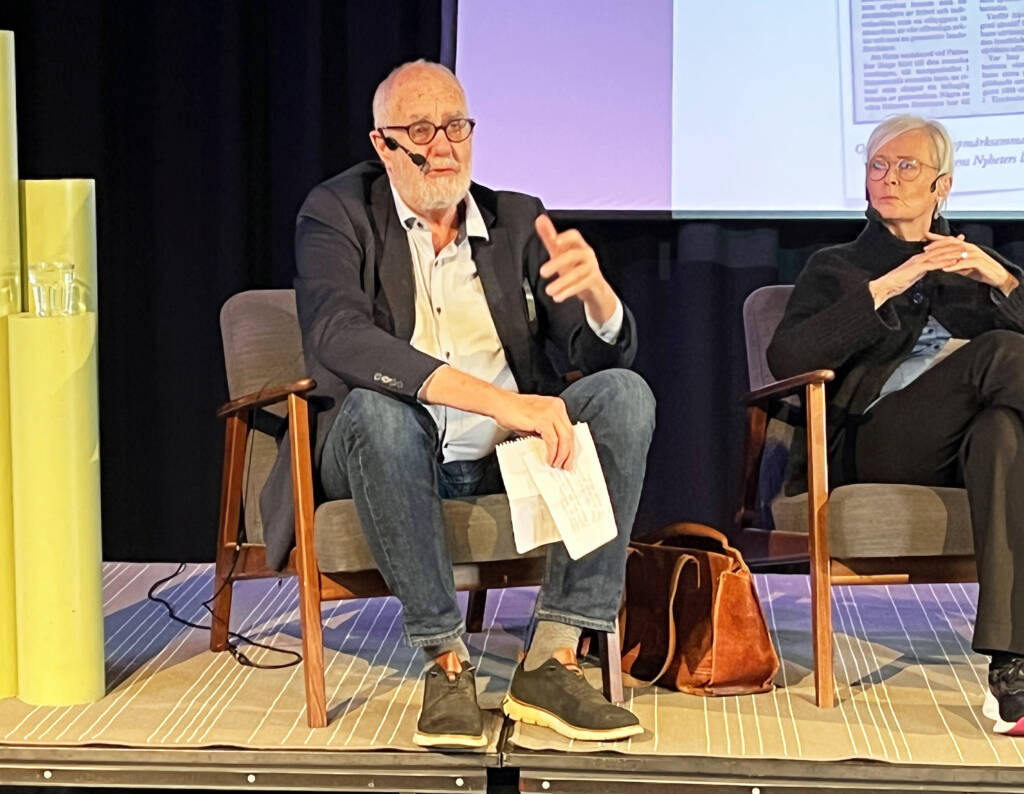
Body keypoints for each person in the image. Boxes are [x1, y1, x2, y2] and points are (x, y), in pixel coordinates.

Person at [258, 60, 654, 747]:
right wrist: (503, 402)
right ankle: (445, 662)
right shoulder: (338, 212)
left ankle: (555, 656)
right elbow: (339, 336)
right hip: (382, 455)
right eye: (420, 130)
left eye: (456, 126)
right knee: (380, 413)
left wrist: (599, 298)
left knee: (626, 394)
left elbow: (597, 360)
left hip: (502, 461)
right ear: (384, 145)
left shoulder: (517, 220)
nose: (443, 146)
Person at [767, 114, 1024, 735]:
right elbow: (788, 358)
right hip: (875, 442)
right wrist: (888, 286)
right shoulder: (836, 266)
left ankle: (1012, 671)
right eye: (878, 165)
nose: (889, 177)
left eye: (907, 166)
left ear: (942, 186)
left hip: (961, 451)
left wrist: (1003, 280)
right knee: (1000, 353)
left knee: (1002, 435)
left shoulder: (975, 265)